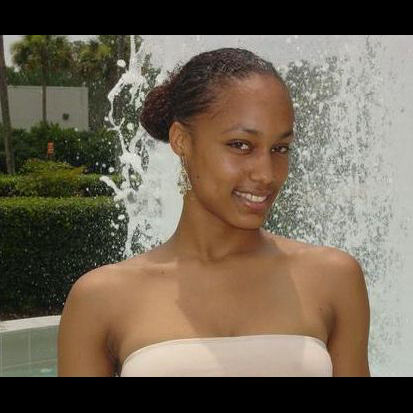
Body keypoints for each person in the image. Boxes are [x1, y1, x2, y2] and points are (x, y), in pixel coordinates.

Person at [57, 47, 371, 377]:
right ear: (181, 140)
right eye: (241, 145)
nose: (266, 174)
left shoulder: (334, 278)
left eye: (280, 148)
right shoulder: (100, 298)